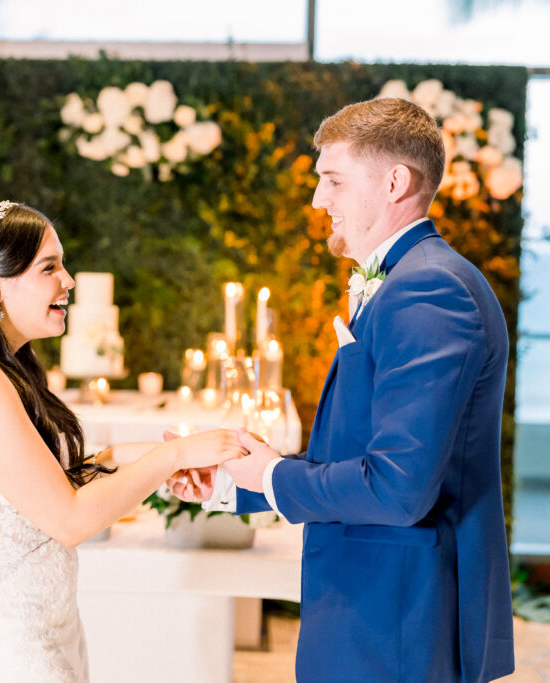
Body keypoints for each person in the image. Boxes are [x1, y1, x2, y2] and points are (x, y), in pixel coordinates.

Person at [175, 98, 515, 682]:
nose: (317, 201)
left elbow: (396, 489)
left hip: (400, 622)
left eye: (332, 180)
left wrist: (275, 477)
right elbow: (357, 455)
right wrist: (235, 485)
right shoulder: (410, 280)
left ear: (394, 182)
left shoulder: (428, 289)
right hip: (380, 611)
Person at [0, 200, 242, 683]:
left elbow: (54, 481)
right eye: (50, 268)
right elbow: (69, 518)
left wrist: (158, 458)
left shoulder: (0, 369)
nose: (68, 281)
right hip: (4, 649)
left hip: (47, 633)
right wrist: (175, 454)